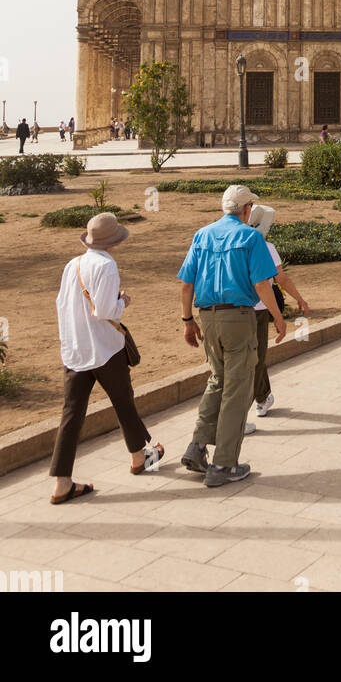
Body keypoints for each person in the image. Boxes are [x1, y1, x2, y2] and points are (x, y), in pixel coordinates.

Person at [49, 211, 162, 504]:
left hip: (76, 350)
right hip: (105, 349)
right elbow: (104, 311)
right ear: (113, 241)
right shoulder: (107, 266)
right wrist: (122, 300)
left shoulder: (72, 265)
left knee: (71, 414)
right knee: (124, 402)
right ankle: (140, 457)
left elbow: (62, 305)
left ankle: (62, 482)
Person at [178, 184, 286, 488]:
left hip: (207, 318)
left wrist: (187, 320)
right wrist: (278, 317)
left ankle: (197, 447)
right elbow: (263, 284)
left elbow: (186, 284)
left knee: (218, 379)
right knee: (238, 389)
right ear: (247, 210)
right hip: (238, 317)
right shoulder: (251, 237)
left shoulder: (202, 235)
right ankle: (224, 464)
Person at [247, 204, 308, 419]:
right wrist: (297, 299)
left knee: (248, 357)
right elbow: (279, 278)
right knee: (257, 356)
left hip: (237, 308)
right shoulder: (266, 246)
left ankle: (260, 397)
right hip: (260, 308)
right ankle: (261, 398)